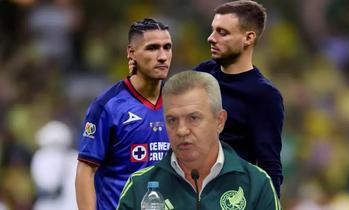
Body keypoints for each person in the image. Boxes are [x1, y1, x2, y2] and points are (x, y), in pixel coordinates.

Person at [117, 71, 281, 210]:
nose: (181, 130)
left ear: (220, 121)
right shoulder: (139, 187)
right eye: (172, 120)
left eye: (193, 118)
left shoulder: (256, 184)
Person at [75, 18, 172, 210]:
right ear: (131, 53)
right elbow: (86, 171)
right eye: (152, 48)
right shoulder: (108, 106)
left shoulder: (178, 104)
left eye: (167, 47)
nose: (162, 56)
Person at [193, 0, 284, 196]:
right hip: (189, 192)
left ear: (248, 38)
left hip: (230, 197)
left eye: (222, 32)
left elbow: (270, 165)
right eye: (213, 30)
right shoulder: (203, 73)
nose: (211, 38)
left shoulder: (263, 95)